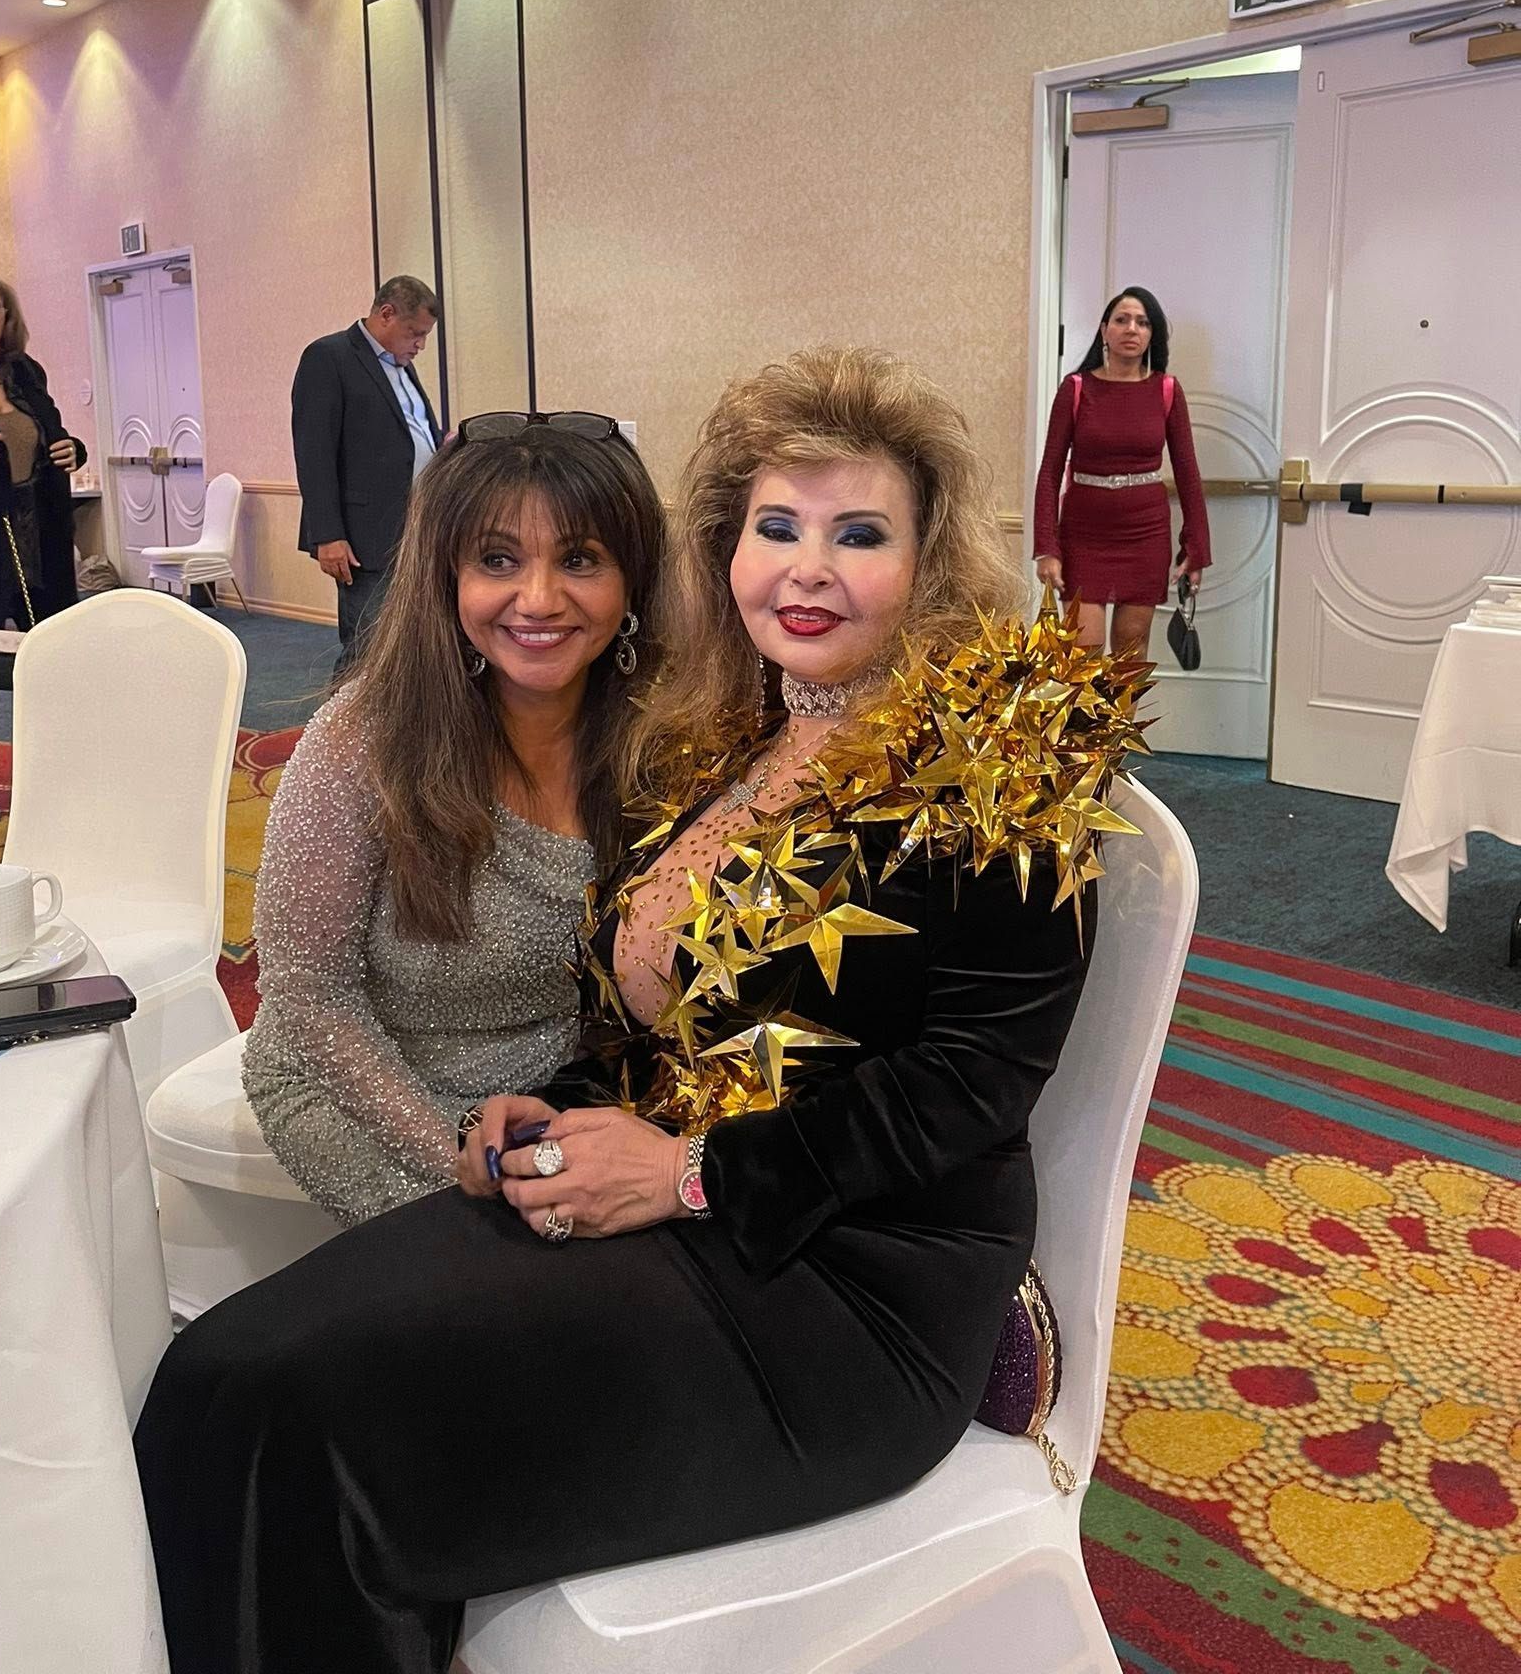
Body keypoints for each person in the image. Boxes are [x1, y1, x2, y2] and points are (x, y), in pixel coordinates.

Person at [135, 347, 1148, 1674]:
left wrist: (686, 1174)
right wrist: (547, 1107)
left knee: (321, 1439)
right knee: (223, 1377)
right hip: (673, 1216)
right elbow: (658, 1031)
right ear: (726, 550)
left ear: (932, 554)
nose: (808, 567)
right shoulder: (722, 732)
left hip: (845, 1292)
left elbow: (971, 1085)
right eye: (775, 528)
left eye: (860, 535)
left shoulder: (1007, 749)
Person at [243, 412, 666, 1223]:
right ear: (446, 578)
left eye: (580, 559)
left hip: (561, 1087)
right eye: (497, 560)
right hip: (364, 1085)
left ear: (634, 580)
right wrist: (460, 1155)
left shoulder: (665, 734)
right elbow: (310, 997)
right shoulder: (361, 738)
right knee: (509, 1292)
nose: (538, 599)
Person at [1032, 285, 1210, 657]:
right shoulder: (1076, 389)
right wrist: (1046, 548)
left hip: (1145, 534)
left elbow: (1188, 474)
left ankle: (1123, 720)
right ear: (1104, 330)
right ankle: (1086, 720)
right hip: (1083, 534)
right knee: (1082, 650)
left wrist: (1196, 549)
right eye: (1122, 320)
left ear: (1151, 335)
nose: (1132, 329)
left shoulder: (1166, 390)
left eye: (1143, 323)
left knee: (1131, 649)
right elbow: (1049, 474)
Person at [291, 274, 441, 674]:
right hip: (364, 534)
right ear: (386, 314)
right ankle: (339, 734)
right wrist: (328, 535)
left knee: (407, 642)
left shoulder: (402, 366)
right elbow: (314, 452)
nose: (420, 345)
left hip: (415, 525)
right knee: (368, 646)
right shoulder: (329, 357)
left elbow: (411, 434)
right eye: (415, 333)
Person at [0, 271, 87, 821]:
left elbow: (55, 433)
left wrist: (76, 449)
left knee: (51, 663)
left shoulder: (25, 373)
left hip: (39, 539)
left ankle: (55, 779)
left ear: (7, 316)